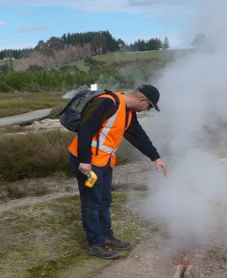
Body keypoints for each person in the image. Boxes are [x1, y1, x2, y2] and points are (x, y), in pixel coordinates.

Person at [67, 84, 168, 260]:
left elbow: (138, 136)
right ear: (143, 100)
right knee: (92, 203)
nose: (147, 110)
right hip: (87, 161)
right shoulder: (107, 102)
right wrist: (84, 160)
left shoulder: (128, 112)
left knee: (105, 200)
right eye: (149, 107)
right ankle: (95, 244)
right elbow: (85, 129)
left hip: (104, 162)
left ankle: (107, 237)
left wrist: (155, 157)